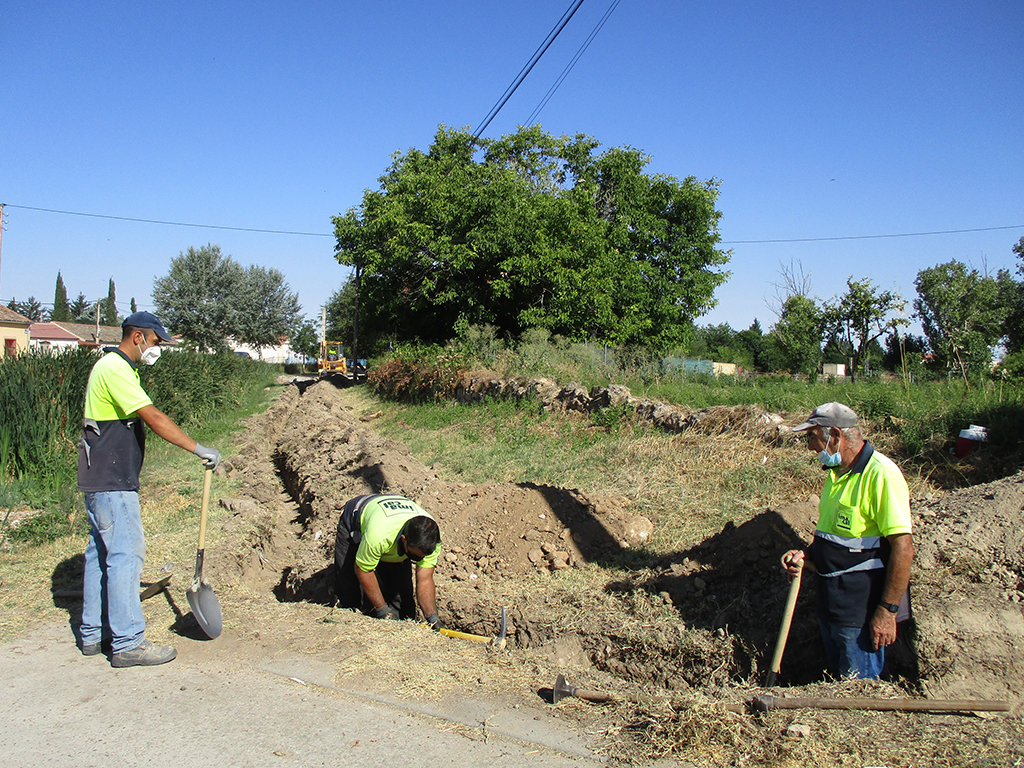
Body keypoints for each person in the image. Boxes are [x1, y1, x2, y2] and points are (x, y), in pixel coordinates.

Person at [77, 311, 222, 668]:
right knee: (126, 555)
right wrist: (197, 448)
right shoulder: (115, 368)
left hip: (100, 479)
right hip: (112, 481)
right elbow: (153, 417)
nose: (157, 349)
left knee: (101, 554)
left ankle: (94, 633)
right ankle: (127, 642)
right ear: (138, 337)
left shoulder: (115, 368)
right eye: (156, 342)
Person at [781, 402, 914, 680]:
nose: (810, 447)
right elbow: (834, 539)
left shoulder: (881, 475)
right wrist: (807, 557)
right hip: (831, 606)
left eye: (813, 437)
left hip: (860, 615)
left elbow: (903, 548)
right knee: (836, 688)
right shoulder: (836, 475)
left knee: (858, 697)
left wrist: (887, 611)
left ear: (836, 435)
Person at [334, 494, 442, 629]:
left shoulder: (432, 538)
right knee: (350, 592)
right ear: (404, 540)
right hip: (356, 519)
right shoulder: (380, 534)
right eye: (413, 556)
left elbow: (425, 579)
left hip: (392, 528)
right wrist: (382, 610)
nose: (417, 561)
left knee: (402, 602)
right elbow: (363, 570)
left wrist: (432, 617)